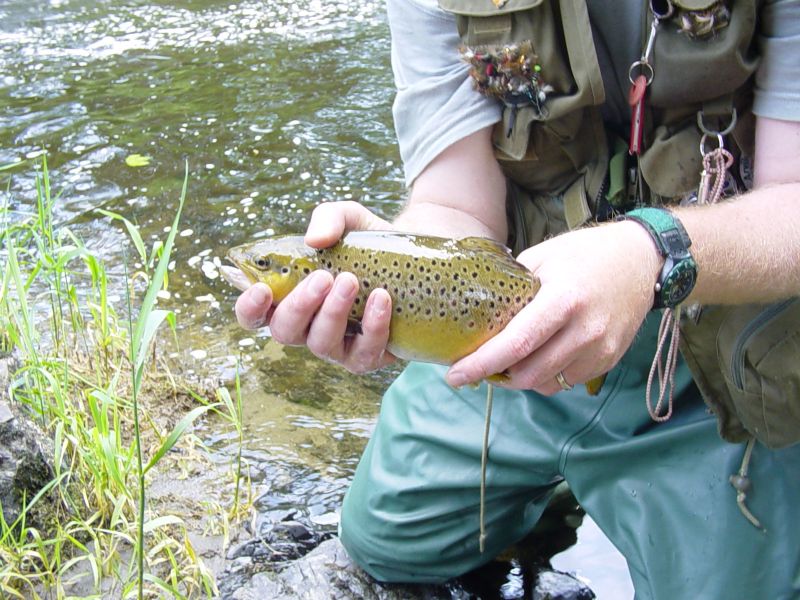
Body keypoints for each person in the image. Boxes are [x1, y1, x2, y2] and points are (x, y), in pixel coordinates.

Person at [234, 0, 800, 597]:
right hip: (510, 323)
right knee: (380, 544)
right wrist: (393, 256)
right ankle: (551, 490)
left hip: (722, 354)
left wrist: (650, 254)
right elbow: (456, 202)